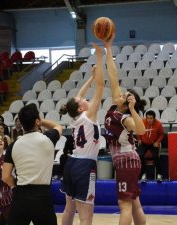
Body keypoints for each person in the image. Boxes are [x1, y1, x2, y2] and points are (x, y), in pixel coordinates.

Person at [59, 43, 104, 225]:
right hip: (85, 166)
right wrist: (100, 59)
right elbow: (101, 87)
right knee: (86, 216)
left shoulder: (76, 117)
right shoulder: (89, 115)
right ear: (80, 107)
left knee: (69, 209)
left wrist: (91, 78)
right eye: (83, 100)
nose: (85, 98)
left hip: (71, 164)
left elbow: (79, 94)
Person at [104, 35, 146, 225]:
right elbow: (113, 76)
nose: (119, 93)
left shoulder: (125, 118)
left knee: (124, 204)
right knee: (134, 202)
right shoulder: (115, 107)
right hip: (127, 161)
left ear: (126, 103)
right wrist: (109, 49)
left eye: (123, 95)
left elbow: (142, 131)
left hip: (128, 161)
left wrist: (132, 109)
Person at [2, 103, 63, 225]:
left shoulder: (13, 146)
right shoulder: (49, 138)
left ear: (21, 122)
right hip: (42, 197)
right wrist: (40, 120)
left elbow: (5, 176)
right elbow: (57, 126)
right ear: (37, 121)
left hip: (20, 196)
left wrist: (15, 186)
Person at [137, 110, 164, 182]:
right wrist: (139, 139)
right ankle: (143, 174)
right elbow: (138, 131)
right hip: (144, 143)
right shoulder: (142, 122)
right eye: (148, 118)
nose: (149, 120)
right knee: (140, 155)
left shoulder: (158, 124)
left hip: (153, 143)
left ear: (154, 118)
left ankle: (159, 174)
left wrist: (157, 142)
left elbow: (162, 134)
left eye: (151, 118)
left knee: (156, 156)